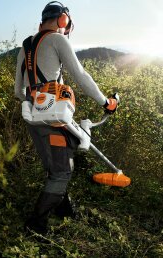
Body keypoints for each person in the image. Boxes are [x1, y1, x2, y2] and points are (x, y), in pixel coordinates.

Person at [14, 1, 118, 234]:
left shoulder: (25, 46)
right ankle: (36, 225)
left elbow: (18, 91)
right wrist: (106, 102)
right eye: (66, 24)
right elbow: (80, 75)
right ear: (63, 20)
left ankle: (64, 209)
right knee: (62, 172)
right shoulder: (57, 39)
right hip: (54, 121)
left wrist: (35, 102)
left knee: (54, 168)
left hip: (32, 119)